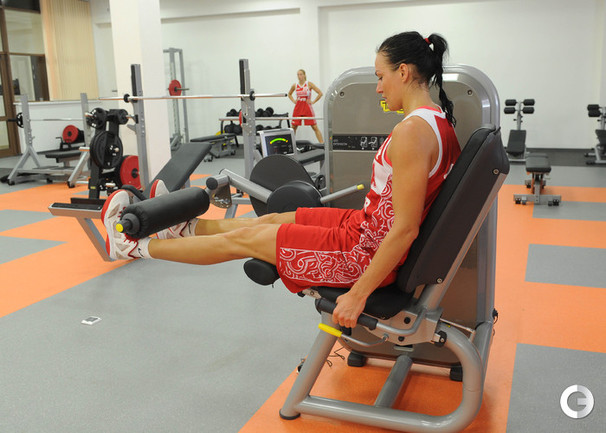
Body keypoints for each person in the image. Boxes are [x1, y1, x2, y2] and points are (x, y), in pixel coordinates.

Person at [102, 31, 461, 329]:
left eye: (380, 76)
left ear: (403, 72)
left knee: (243, 240)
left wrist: (358, 294)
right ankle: (185, 230)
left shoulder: (412, 133)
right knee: (269, 220)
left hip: (362, 254)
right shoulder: (437, 121)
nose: (378, 88)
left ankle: (131, 247)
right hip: (361, 230)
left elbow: (405, 229)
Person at [287, 69, 324, 143]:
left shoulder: (309, 84)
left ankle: (322, 144)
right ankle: (291, 144)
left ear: (304, 75)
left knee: (314, 126)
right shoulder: (295, 85)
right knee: (293, 127)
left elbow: (320, 93)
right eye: (298, 74)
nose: (299, 76)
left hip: (307, 107)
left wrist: (313, 101)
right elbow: (289, 94)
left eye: (301, 74)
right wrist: (294, 101)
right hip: (298, 107)